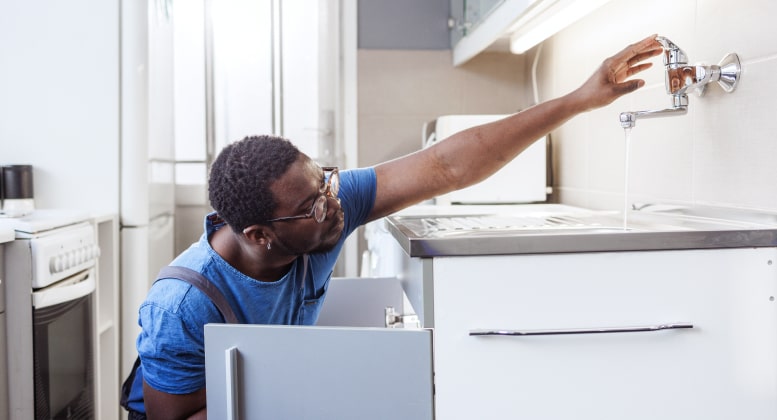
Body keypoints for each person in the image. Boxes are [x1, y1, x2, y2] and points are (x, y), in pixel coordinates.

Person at [123, 34, 663, 419]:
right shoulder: (180, 305)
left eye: (327, 182)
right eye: (314, 205)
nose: (334, 205)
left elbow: (448, 164)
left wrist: (577, 100)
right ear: (261, 235)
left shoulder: (321, 212)